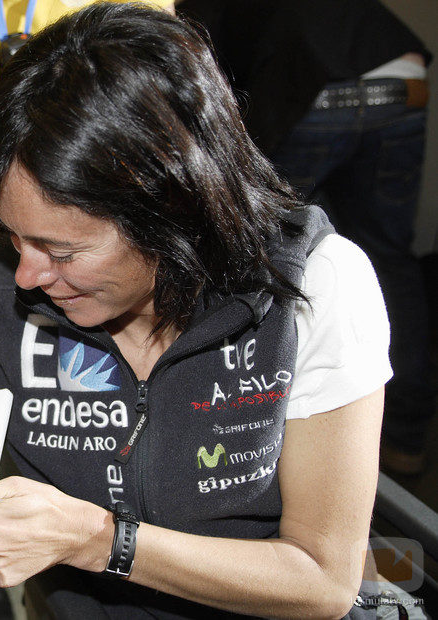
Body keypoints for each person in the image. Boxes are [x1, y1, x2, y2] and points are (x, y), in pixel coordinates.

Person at [0, 3, 393, 617]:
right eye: (15, 237)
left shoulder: (314, 289)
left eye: (62, 250)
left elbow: (323, 582)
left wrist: (99, 541)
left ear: (171, 208)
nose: (28, 275)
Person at [177, 0, 434, 477]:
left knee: (256, 246)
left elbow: (204, 70)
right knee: (388, 258)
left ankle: (250, 433)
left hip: (315, 88)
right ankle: (406, 440)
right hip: (401, 76)